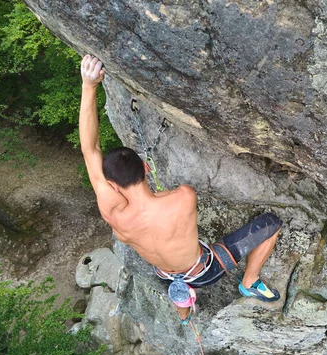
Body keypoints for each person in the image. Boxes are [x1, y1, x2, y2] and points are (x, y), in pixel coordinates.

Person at [79, 55, 282, 324]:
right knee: (272, 224)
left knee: (176, 282)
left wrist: (88, 86)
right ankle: (249, 282)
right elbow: (160, 201)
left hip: (164, 273)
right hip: (203, 272)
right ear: (146, 168)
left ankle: (184, 315)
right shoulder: (183, 197)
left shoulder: (110, 209)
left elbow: (89, 149)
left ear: (113, 185)